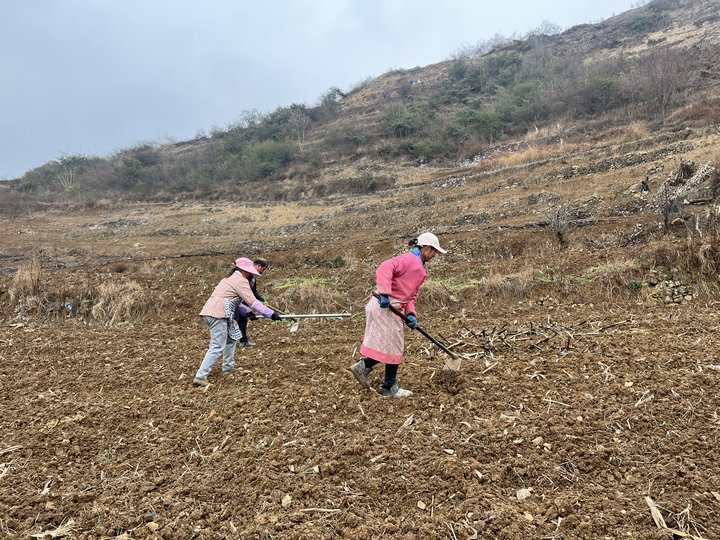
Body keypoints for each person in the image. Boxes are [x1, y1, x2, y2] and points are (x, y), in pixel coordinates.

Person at [349, 232, 448, 398]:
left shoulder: (419, 266)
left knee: (390, 345)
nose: (434, 256)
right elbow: (384, 268)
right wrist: (385, 293)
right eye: (434, 252)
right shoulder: (410, 260)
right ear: (426, 248)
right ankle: (388, 386)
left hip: (392, 307)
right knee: (394, 345)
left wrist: (411, 314)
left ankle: (366, 369)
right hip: (385, 306)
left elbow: (410, 296)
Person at [193, 257, 281, 387]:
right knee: (217, 346)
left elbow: (232, 302)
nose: (251, 274)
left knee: (231, 339)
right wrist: (270, 313)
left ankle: (228, 367)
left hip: (217, 312)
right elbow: (253, 301)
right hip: (218, 314)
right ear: (245, 271)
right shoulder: (240, 280)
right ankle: (200, 376)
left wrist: (248, 312)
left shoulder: (229, 279)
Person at [234, 258, 268, 348]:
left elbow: (253, 291)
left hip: (243, 303)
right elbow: (246, 291)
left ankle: (243, 341)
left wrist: (262, 300)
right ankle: (229, 343)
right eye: (263, 269)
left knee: (243, 320)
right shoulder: (246, 274)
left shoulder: (253, 277)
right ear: (258, 266)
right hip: (236, 302)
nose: (262, 272)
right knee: (234, 320)